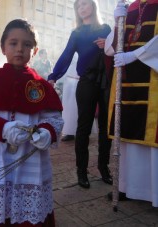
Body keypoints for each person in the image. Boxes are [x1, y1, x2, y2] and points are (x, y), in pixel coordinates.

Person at [0, 18, 64, 227]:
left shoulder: (41, 85)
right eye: (13, 43)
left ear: (35, 50)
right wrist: (2, 129)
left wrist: (47, 132)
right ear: (3, 47)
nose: (20, 49)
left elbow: (54, 118)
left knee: (28, 213)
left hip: (31, 161)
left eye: (27, 44)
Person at [48, 0, 112, 188]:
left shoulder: (106, 28)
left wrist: (107, 45)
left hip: (106, 83)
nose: (82, 8)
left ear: (93, 6)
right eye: (78, 6)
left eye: (85, 4)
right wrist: (53, 76)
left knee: (105, 128)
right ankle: (81, 172)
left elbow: (117, 51)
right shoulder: (76, 33)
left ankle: (104, 168)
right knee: (83, 128)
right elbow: (66, 55)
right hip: (86, 83)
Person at [105, 0, 158, 206]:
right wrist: (117, 20)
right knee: (126, 135)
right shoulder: (131, 7)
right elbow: (110, 50)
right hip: (127, 84)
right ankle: (127, 187)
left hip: (153, 83)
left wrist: (134, 55)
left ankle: (154, 193)